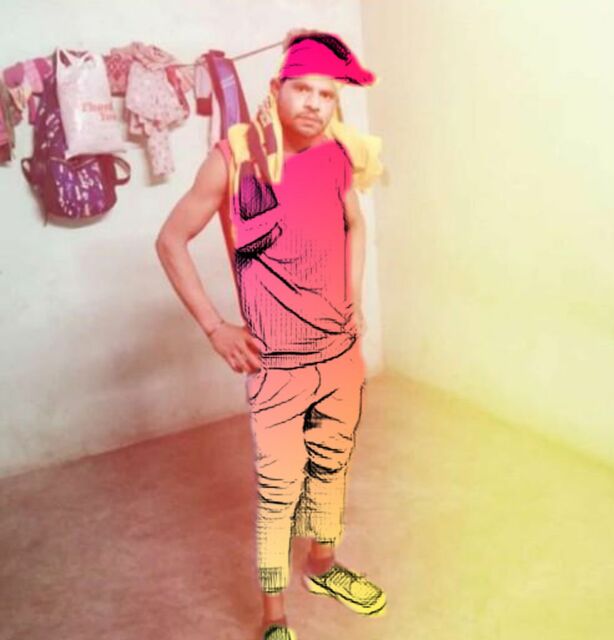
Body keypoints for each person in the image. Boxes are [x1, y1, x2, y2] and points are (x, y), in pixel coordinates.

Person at [155, 30, 385, 640]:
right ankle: (273, 617)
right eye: (303, 90)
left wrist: (354, 296)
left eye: (327, 95)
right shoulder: (234, 159)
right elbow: (170, 239)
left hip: (340, 352)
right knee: (280, 491)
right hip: (277, 361)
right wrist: (214, 327)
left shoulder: (337, 153)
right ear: (277, 88)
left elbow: (355, 223)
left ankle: (324, 565)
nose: (315, 103)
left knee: (332, 467)